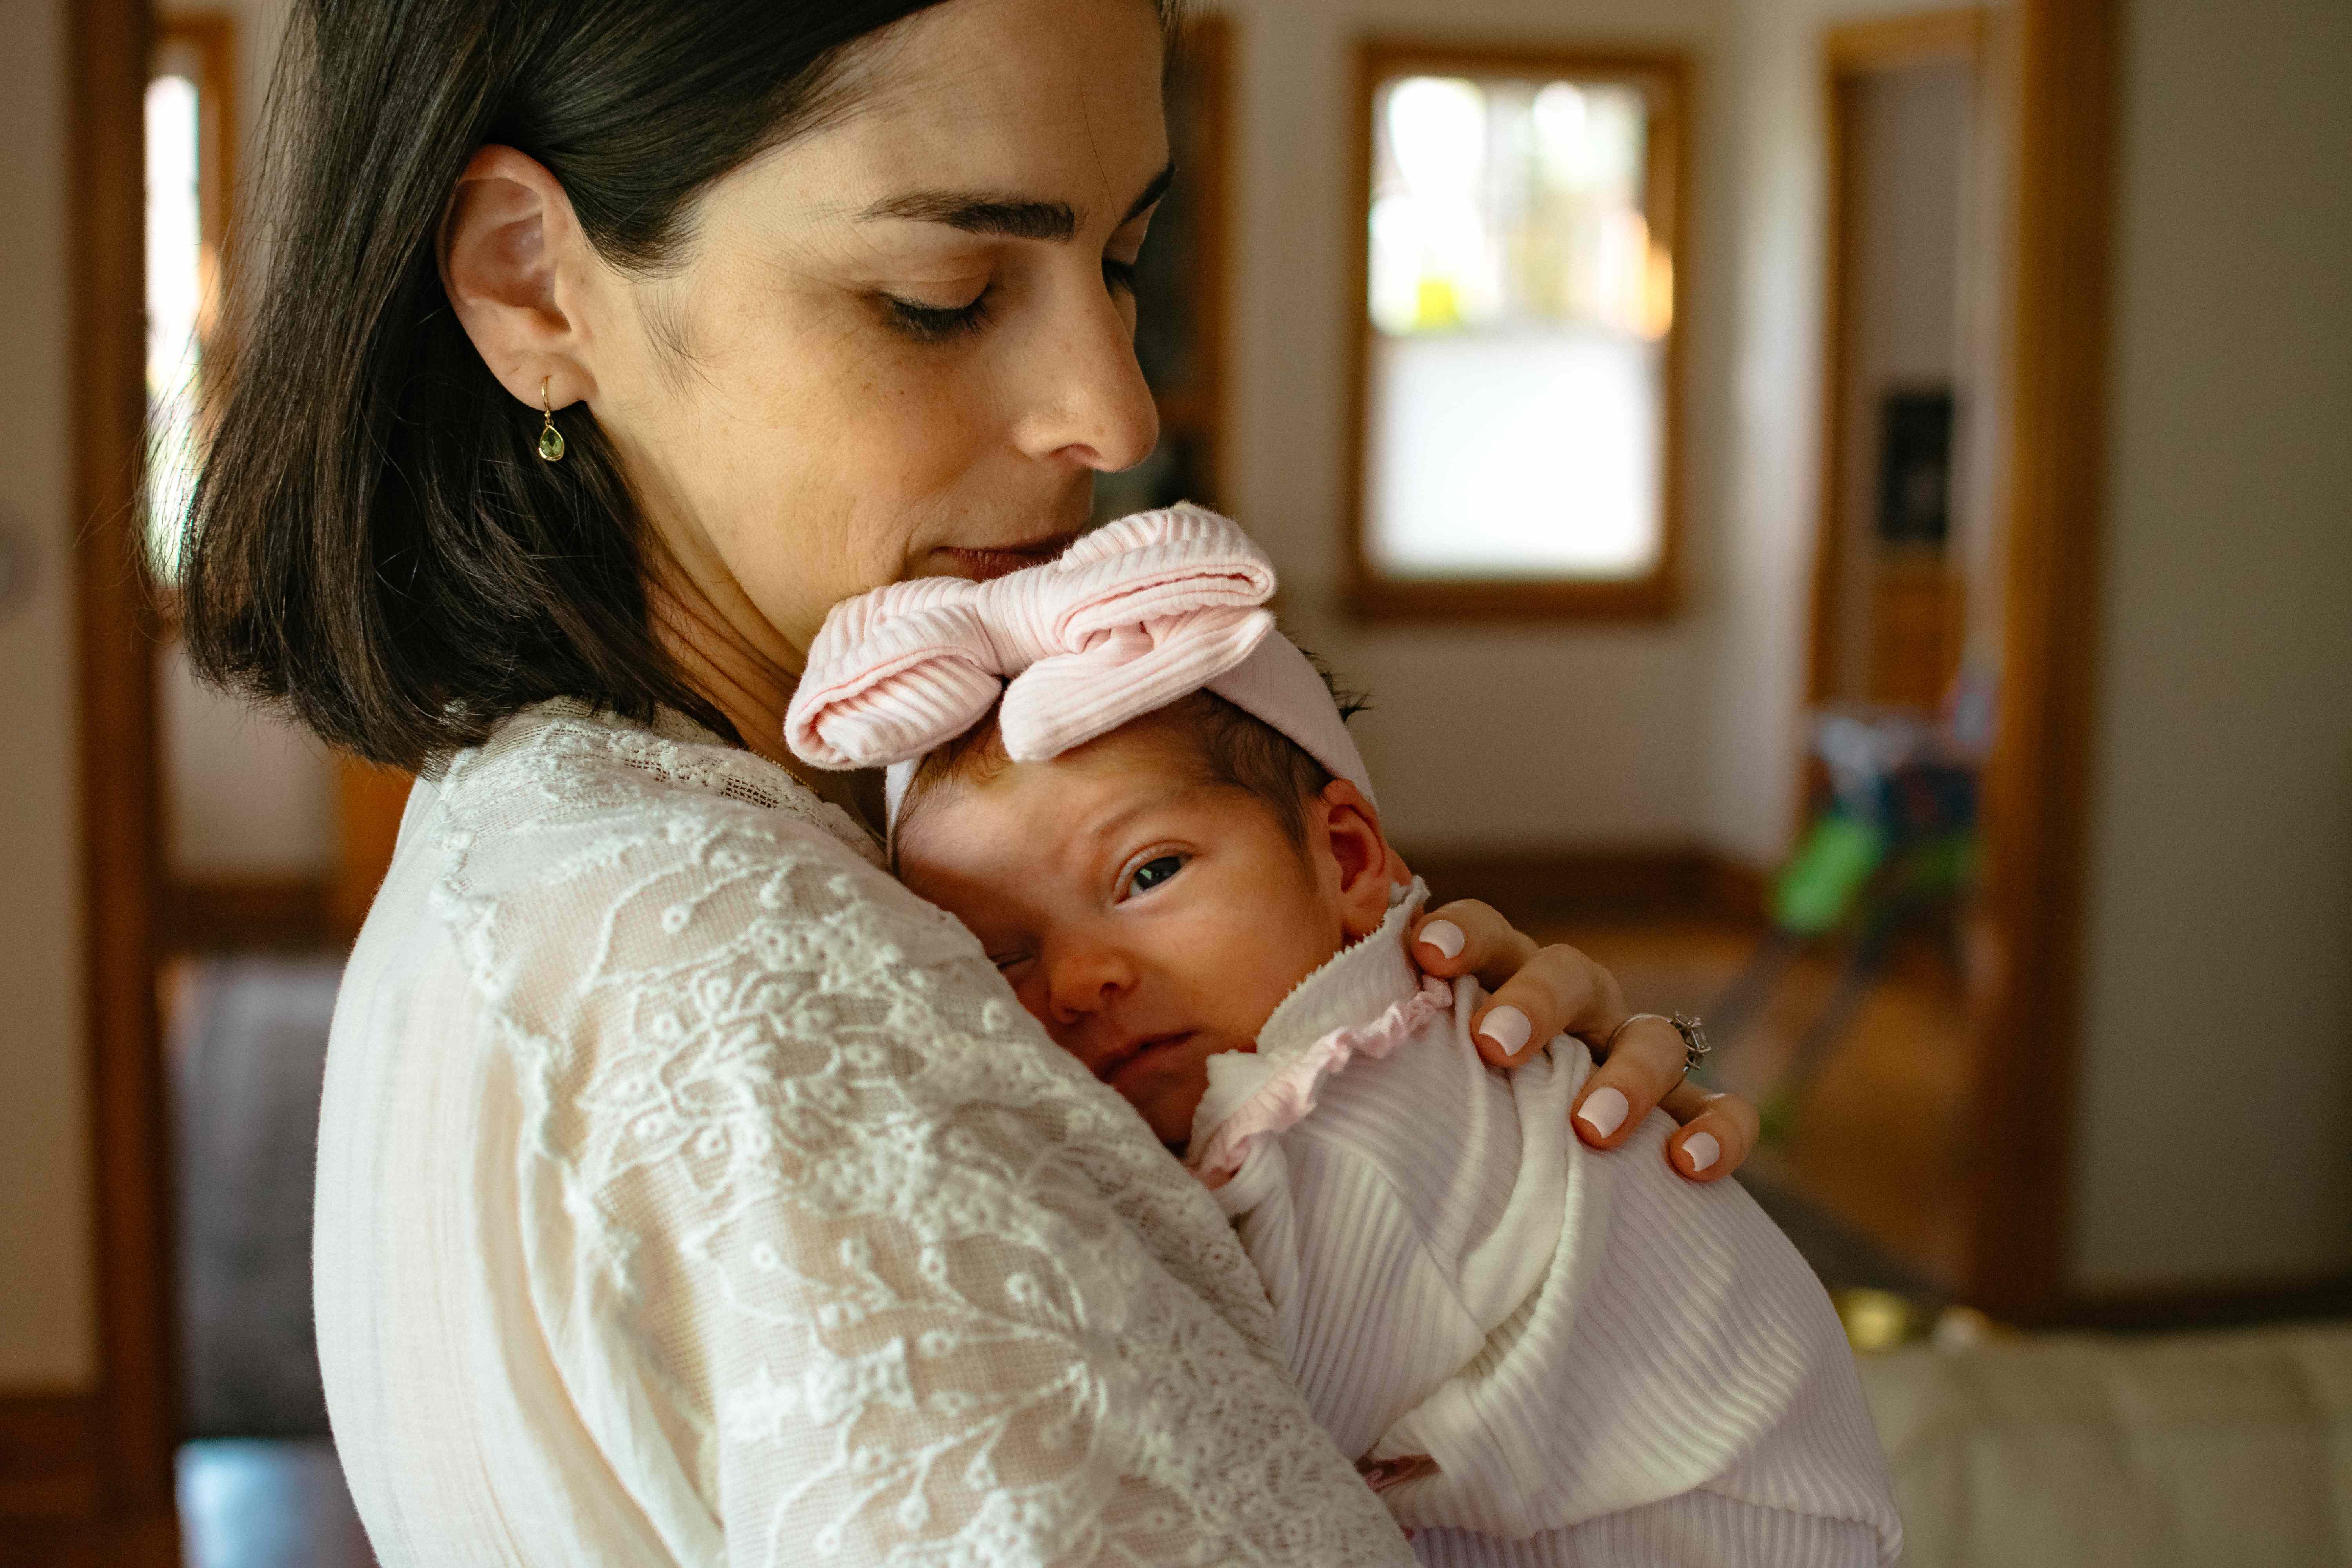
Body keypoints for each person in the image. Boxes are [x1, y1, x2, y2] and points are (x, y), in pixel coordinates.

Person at [181, 0, 1766, 1560]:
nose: (1116, 411)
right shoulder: (761, 979)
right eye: (939, 294)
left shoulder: (536, 834)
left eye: (1122, 259)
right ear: (535, 282)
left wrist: (1486, 1197)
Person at [788, 506, 1903, 1565]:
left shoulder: (1338, 1130)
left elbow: (1221, 1427)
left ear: (1354, 861)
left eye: (1150, 873)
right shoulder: (1366, 1024)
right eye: (1003, 957)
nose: (1079, 980)